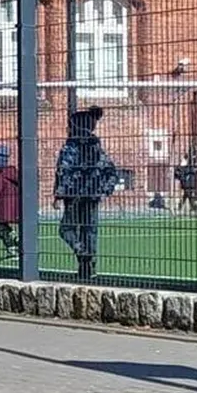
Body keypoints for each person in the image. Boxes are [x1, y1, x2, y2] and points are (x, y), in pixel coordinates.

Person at [53, 106, 121, 280]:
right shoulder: (96, 147)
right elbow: (111, 171)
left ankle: (81, 252)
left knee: (66, 229)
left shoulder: (71, 145)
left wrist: (59, 193)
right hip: (92, 196)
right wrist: (105, 190)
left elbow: (63, 169)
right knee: (89, 230)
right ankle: (88, 267)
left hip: (74, 196)